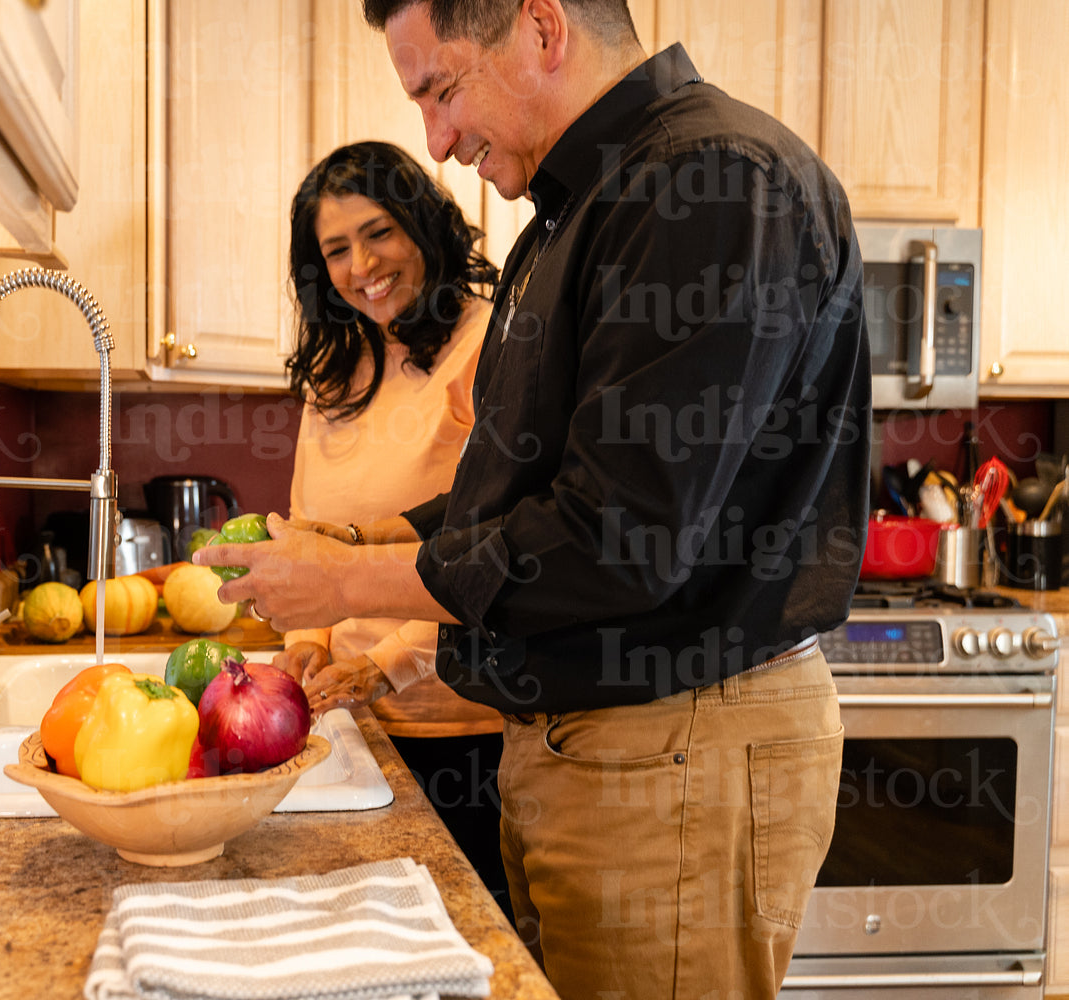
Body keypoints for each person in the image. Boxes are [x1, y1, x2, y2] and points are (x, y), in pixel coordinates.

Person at [196, 1, 871, 997]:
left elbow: (617, 538)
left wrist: (348, 579)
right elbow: (526, 492)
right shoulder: (580, 213)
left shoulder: (707, 184)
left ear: (542, 27)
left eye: (442, 88)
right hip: (603, 747)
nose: (435, 136)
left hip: (673, 745)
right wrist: (360, 536)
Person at [273, 140, 511, 916]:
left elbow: (496, 542)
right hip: (349, 732)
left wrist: (385, 664)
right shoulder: (334, 377)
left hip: (465, 731)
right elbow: (311, 536)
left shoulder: (488, 346)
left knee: (468, 944)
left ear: (423, 225)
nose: (360, 265)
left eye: (378, 232)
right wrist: (305, 651)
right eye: (335, 249)